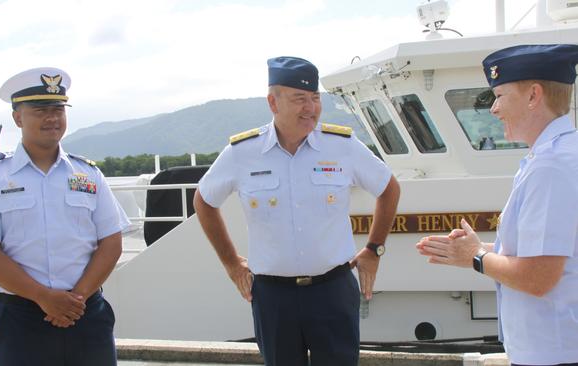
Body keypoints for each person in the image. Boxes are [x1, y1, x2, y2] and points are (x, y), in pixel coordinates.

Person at [193, 56, 400, 366]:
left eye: (315, 98)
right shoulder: (243, 153)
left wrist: (373, 249)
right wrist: (231, 263)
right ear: (273, 103)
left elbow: (389, 188)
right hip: (273, 297)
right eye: (300, 99)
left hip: (333, 291)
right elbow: (204, 201)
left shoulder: (341, 145)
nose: (311, 108)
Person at [416, 44, 578, 366]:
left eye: (500, 95)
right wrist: (480, 250)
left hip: (554, 352)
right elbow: (553, 254)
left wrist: (476, 257)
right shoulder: (557, 156)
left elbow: (538, 277)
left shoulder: (551, 167)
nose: (493, 108)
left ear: (533, 95)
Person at [0, 67, 131, 366]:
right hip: (21, 319)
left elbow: (111, 242)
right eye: (40, 110)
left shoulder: (89, 173)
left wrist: (75, 299)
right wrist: (43, 296)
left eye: (58, 109)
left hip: (86, 315)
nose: (52, 118)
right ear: (18, 118)